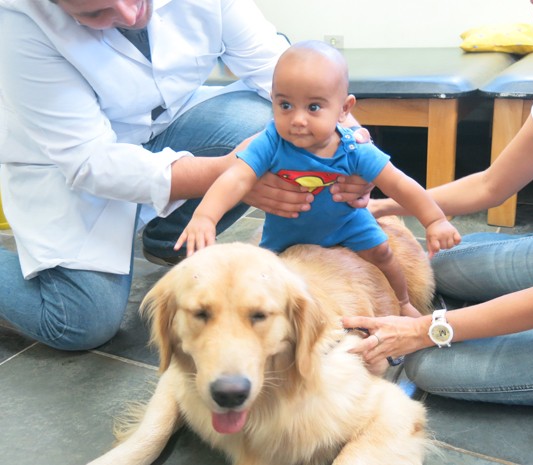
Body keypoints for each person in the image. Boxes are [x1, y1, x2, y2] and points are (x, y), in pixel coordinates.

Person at [0, 0, 369, 351]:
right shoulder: (19, 20)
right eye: (96, 12)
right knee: (81, 320)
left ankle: (168, 237)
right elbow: (91, 162)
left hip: (166, 123)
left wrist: (353, 148)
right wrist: (235, 172)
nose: (131, 16)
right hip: (68, 168)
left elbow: (280, 70)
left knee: (280, 122)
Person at [343, 0, 533, 412]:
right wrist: (385, 206)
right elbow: (492, 184)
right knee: (442, 266)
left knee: (431, 366)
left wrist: (424, 329)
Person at [174, 40, 461, 318]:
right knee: (260, 272)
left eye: (313, 107)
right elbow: (236, 177)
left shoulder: (354, 149)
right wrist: (205, 217)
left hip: (346, 224)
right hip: (286, 232)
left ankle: (404, 301)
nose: (297, 120)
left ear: (344, 109)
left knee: (384, 254)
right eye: (285, 105)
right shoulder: (271, 141)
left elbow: (399, 184)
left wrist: (434, 220)